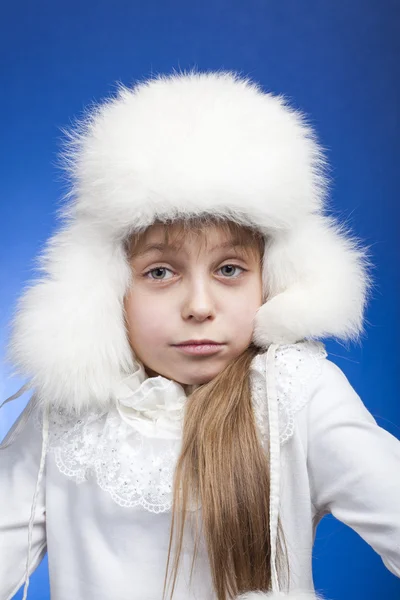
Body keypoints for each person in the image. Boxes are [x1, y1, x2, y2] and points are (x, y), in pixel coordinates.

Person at [0, 70, 399, 600]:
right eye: (160, 272)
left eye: (230, 269)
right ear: (107, 288)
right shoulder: (66, 411)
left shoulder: (298, 394)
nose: (199, 306)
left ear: (273, 279)